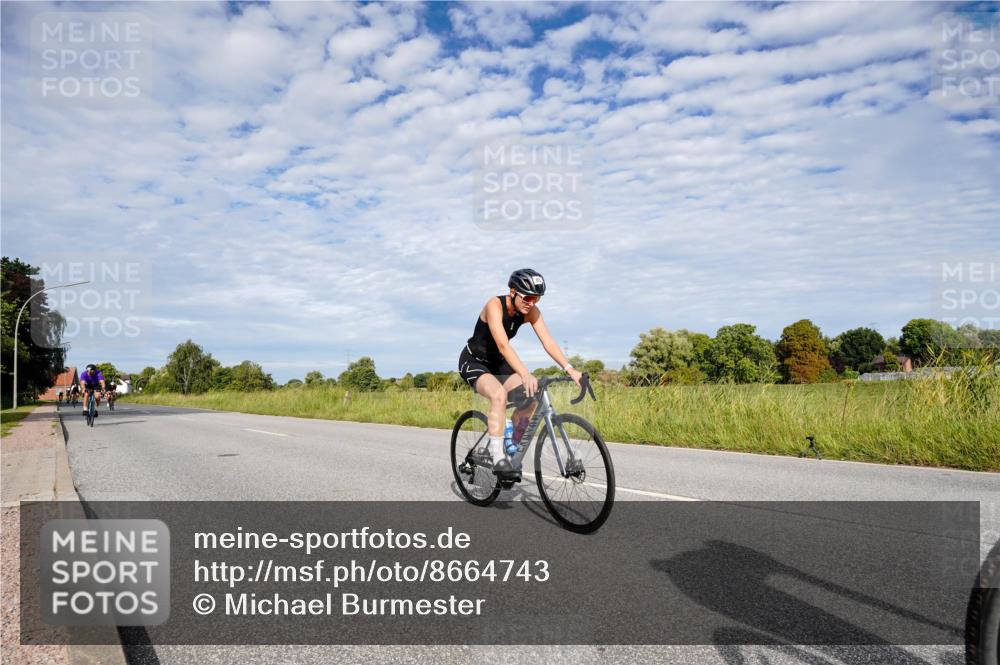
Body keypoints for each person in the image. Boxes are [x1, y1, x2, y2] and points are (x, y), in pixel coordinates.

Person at [458, 269, 582, 478]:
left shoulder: (530, 311)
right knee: (499, 396)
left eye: (537, 298)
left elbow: (548, 342)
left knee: (531, 399)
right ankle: (498, 460)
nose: (532, 303)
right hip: (474, 362)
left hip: (498, 363)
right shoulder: (494, 306)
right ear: (513, 292)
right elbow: (503, 345)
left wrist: (570, 369)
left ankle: (511, 444)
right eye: (528, 297)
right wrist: (524, 372)